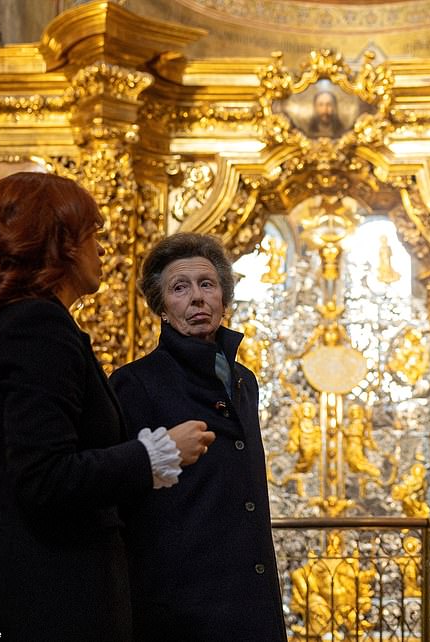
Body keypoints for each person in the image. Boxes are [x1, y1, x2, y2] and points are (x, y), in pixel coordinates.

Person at [0, 172, 213, 640]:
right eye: (92, 235)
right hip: (50, 605)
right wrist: (156, 452)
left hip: (17, 599)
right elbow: (44, 477)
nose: (101, 249)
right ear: (56, 244)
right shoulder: (37, 328)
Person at [110, 232, 287, 641]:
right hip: (180, 604)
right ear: (162, 306)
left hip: (250, 593)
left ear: (224, 299)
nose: (196, 298)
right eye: (179, 287)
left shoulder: (245, 380)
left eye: (207, 284)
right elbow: (121, 491)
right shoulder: (134, 383)